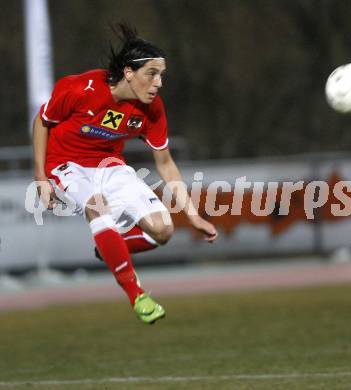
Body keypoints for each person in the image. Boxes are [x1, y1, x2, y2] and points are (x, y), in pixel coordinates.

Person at [32, 24, 218, 324]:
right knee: (96, 205)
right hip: (66, 164)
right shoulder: (80, 88)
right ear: (129, 73)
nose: (158, 83)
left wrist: (193, 215)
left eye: (161, 75)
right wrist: (41, 176)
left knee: (163, 230)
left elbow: (166, 163)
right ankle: (137, 296)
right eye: (152, 74)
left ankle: (108, 248)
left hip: (109, 165)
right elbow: (42, 122)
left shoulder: (152, 109)